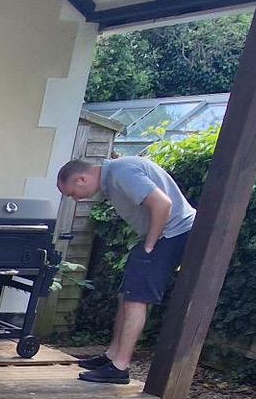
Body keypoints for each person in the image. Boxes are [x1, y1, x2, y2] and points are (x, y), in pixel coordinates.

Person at [54, 155, 196, 384]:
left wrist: (150, 244)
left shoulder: (122, 172)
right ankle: (112, 356)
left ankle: (120, 367)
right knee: (127, 295)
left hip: (174, 234)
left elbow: (163, 204)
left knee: (136, 299)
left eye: (72, 193)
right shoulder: (114, 176)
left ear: (81, 179)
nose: (76, 199)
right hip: (169, 235)